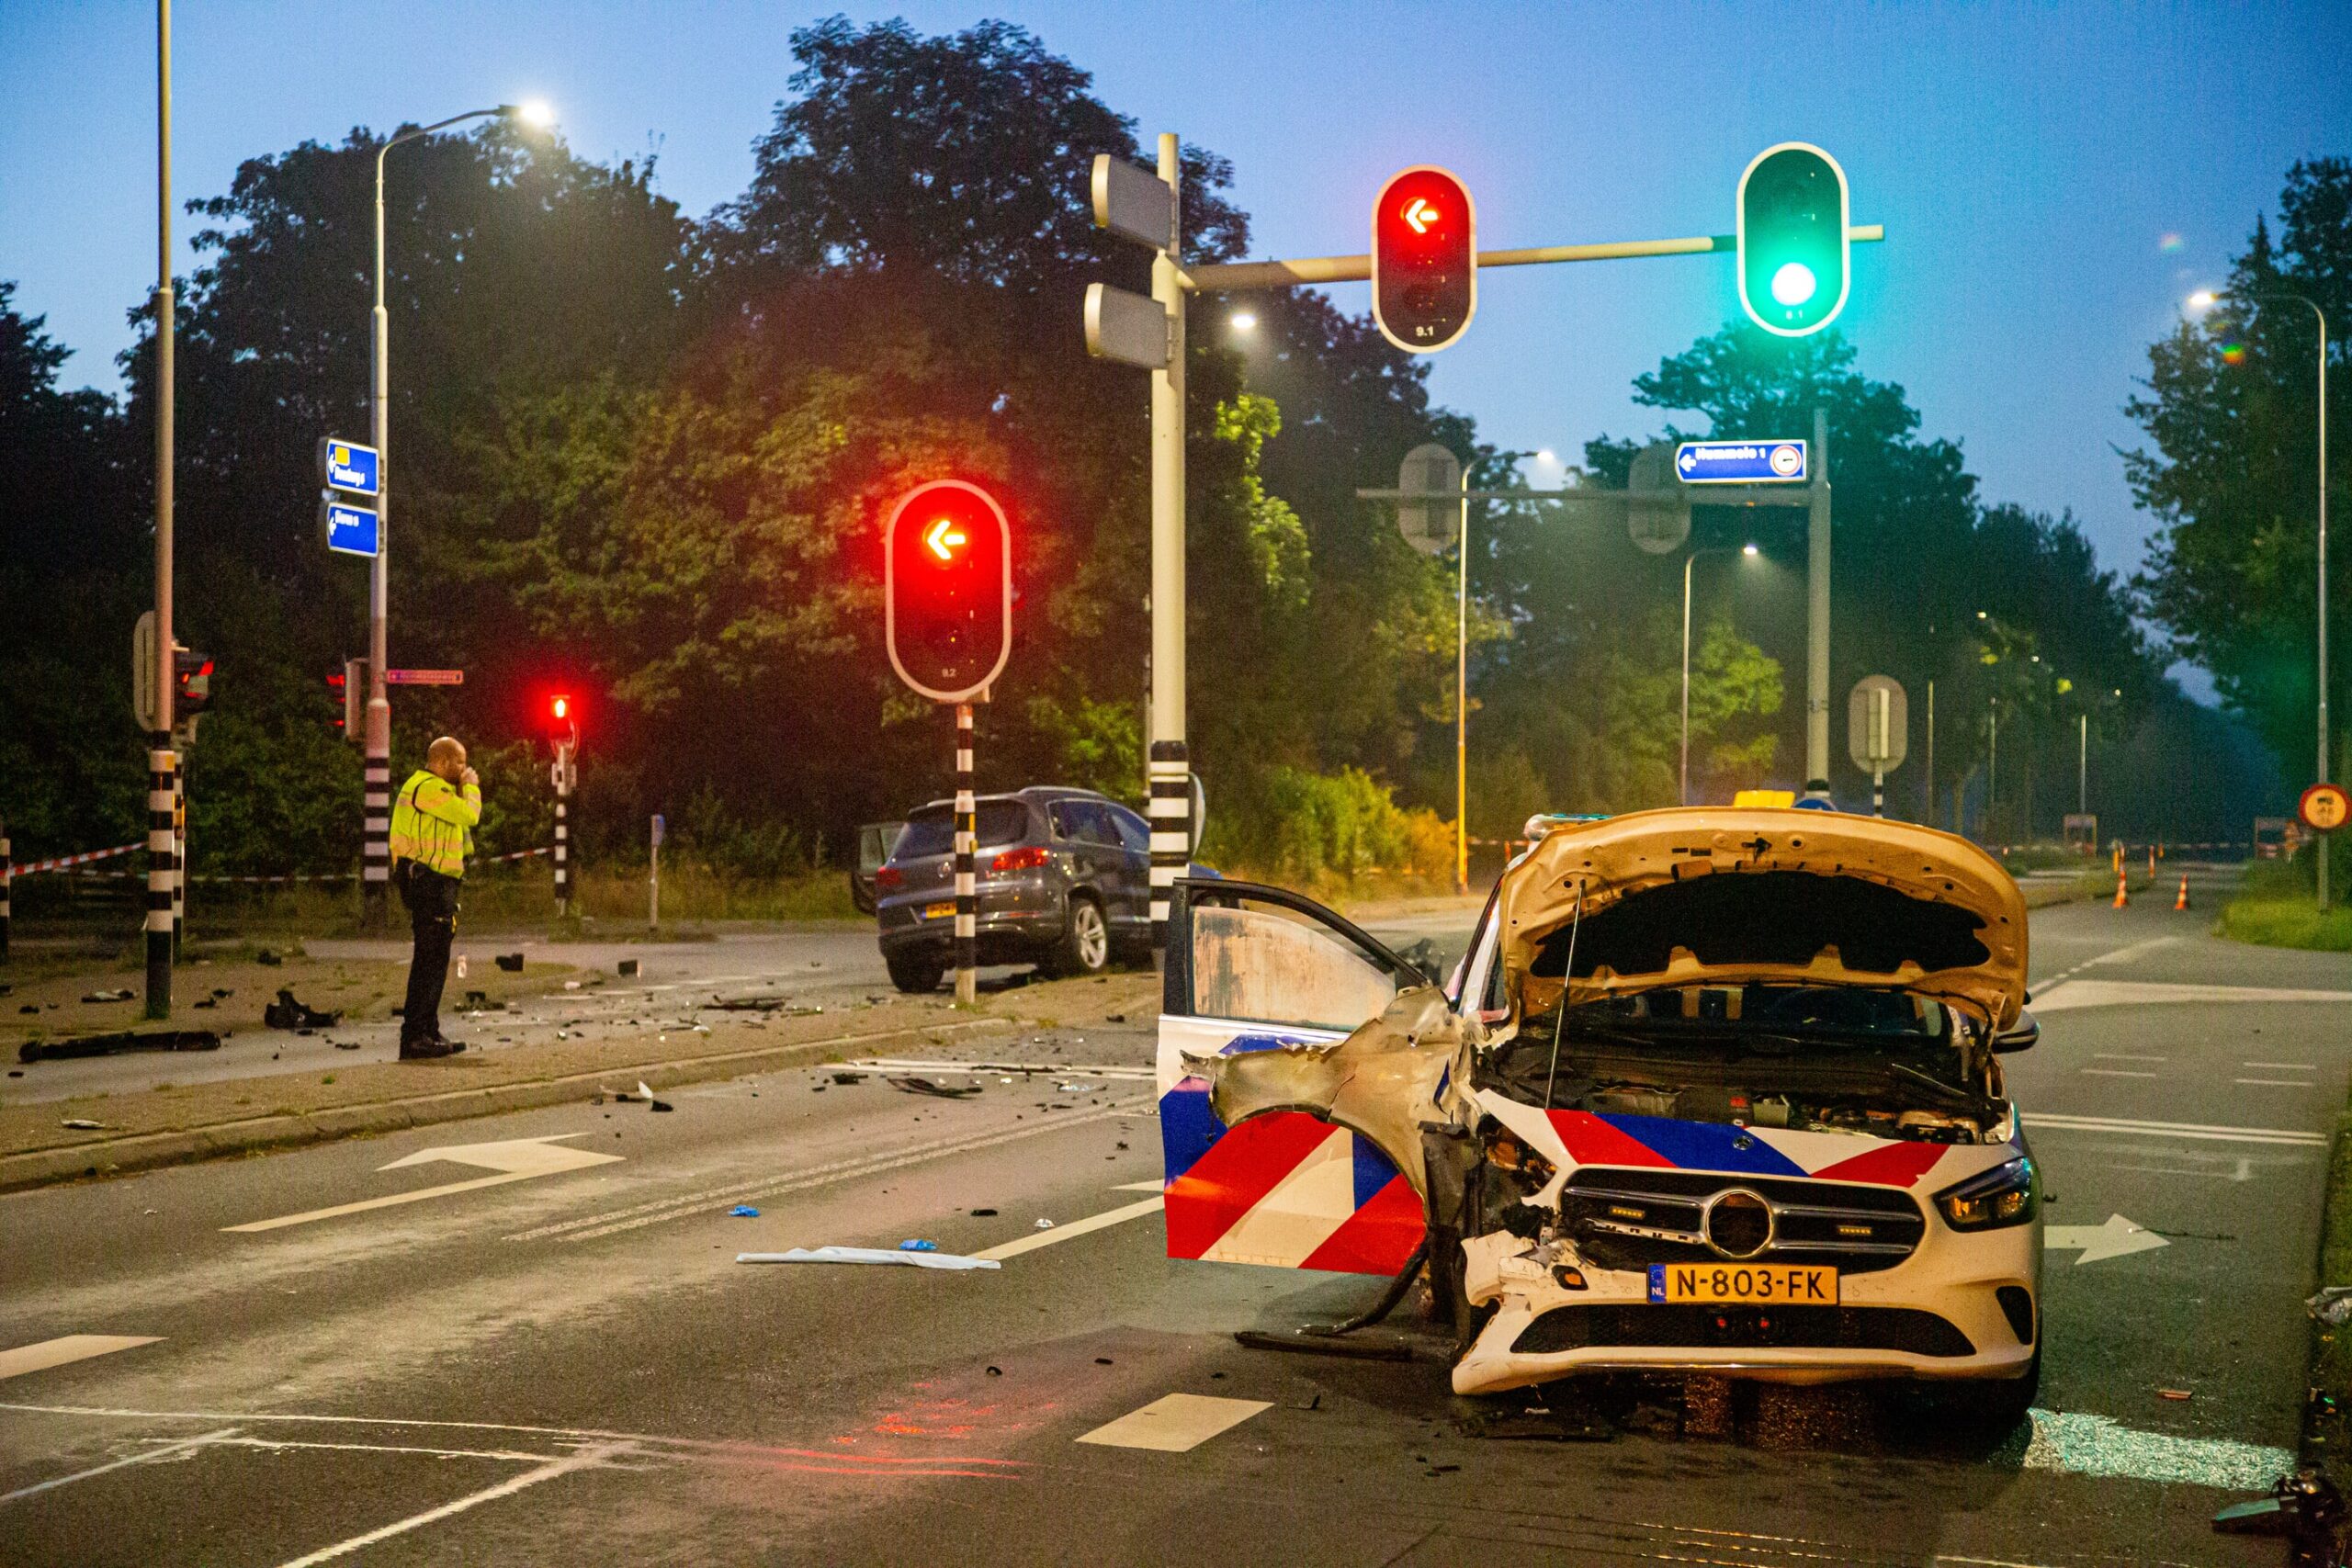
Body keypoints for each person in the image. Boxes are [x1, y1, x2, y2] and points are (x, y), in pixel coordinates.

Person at [389, 736, 481, 1059]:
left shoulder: (437, 792)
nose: (463, 768)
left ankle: (428, 1030)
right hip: (427, 882)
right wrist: (471, 787)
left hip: (438, 884)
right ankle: (415, 1036)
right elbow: (469, 816)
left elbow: (458, 839)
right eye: (458, 762)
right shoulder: (427, 787)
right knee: (429, 960)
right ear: (440, 762)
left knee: (437, 960)